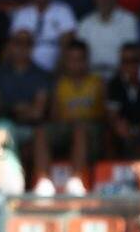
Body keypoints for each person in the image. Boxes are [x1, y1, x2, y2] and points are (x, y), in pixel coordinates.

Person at [33, 40, 104, 196]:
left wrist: (81, 121)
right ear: (66, 62)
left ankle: (75, 181)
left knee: (80, 129)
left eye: (79, 59)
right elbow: (54, 116)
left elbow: (104, 115)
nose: (75, 64)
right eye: (71, 60)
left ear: (86, 61)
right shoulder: (60, 85)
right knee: (41, 131)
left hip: (92, 131)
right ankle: (43, 182)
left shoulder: (98, 83)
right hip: (66, 128)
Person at [10, 0, 76, 71]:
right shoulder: (21, 14)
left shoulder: (63, 10)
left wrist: (58, 69)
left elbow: (68, 44)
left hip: (55, 70)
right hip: (25, 70)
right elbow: (14, 45)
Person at [0, 30, 52, 134]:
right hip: (0, 127)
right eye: (18, 43)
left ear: (32, 47)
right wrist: (19, 109)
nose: (22, 48)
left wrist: (9, 109)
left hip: (31, 129)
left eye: (27, 43)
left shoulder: (42, 75)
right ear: (10, 45)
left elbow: (37, 113)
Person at [76, 0, 139, 78]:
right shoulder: (85, 23)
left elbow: (130, 55)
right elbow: (80, 57)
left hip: (120, 76)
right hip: (91, 78)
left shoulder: (129, 20)